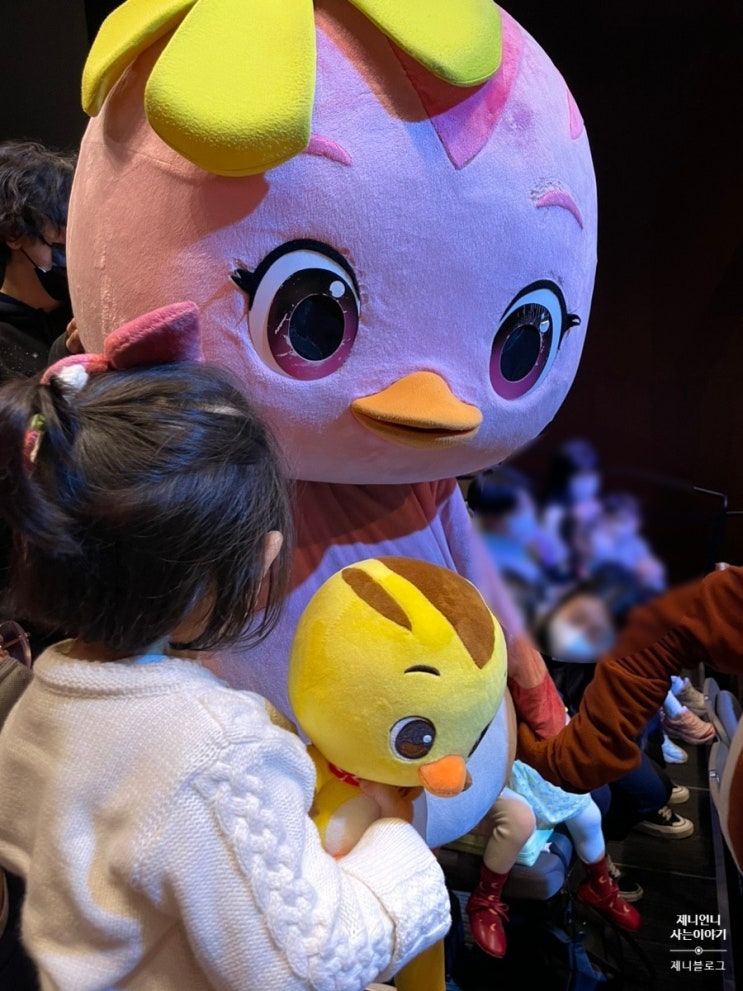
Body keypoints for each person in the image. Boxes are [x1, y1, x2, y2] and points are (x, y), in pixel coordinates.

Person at [0, 304, 450, 991]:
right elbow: (308, 966)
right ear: (251, 560)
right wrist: (399, 847)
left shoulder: (34, 704)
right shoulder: (215, 749)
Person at [466, 760, 641, 960]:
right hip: (499, 772)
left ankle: (599, 886)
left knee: (589, 815)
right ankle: (485, 899)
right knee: (519, 821)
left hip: (538, 771)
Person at [0, 141, 76, 382]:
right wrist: (64, 353)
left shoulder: (81, 297)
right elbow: (20, 405)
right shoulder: (5, 336)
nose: (68, 234)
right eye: (58, 222)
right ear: (14, 234)